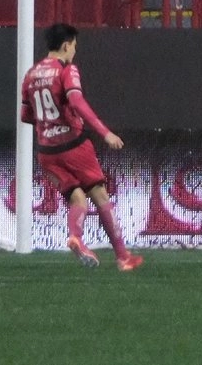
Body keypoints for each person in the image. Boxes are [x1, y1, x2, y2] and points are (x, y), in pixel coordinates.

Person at [19, 24, 143, 272]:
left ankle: (77, 237)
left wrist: (49, 125)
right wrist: (105, 132)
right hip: (74, 145)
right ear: (66, 45)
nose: (75, 51)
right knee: (100, 196)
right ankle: (122, 257)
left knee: (77, 199)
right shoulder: (66, 69)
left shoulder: (31, 74)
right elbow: (76, 101)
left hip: (46, 152)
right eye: (74, 46)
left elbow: (26, 116)